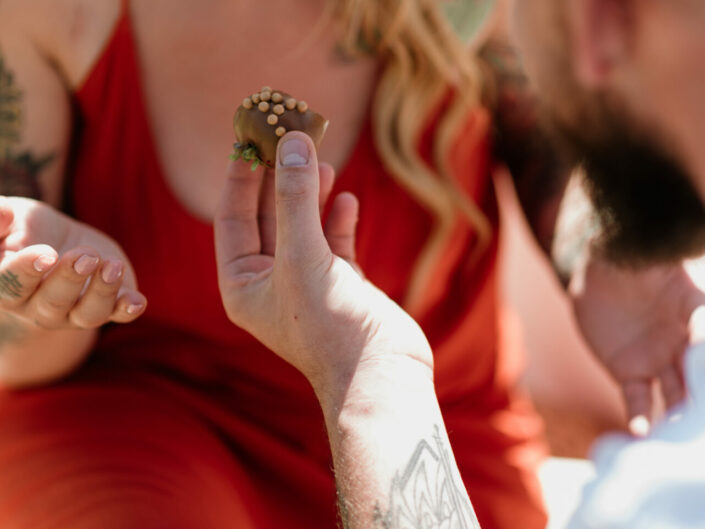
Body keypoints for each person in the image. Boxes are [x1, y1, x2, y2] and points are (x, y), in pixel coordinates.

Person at [0, 0, 698, 528]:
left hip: (431, 422)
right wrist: (49, 291)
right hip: (144, 427)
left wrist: (596, 249)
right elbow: (21, 354)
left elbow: (549, 141)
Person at [212, 0, 705, 527]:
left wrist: (368, 368)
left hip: (448, 430)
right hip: (192, 443)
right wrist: (593, 245)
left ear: (599, 27)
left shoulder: (650, 498)